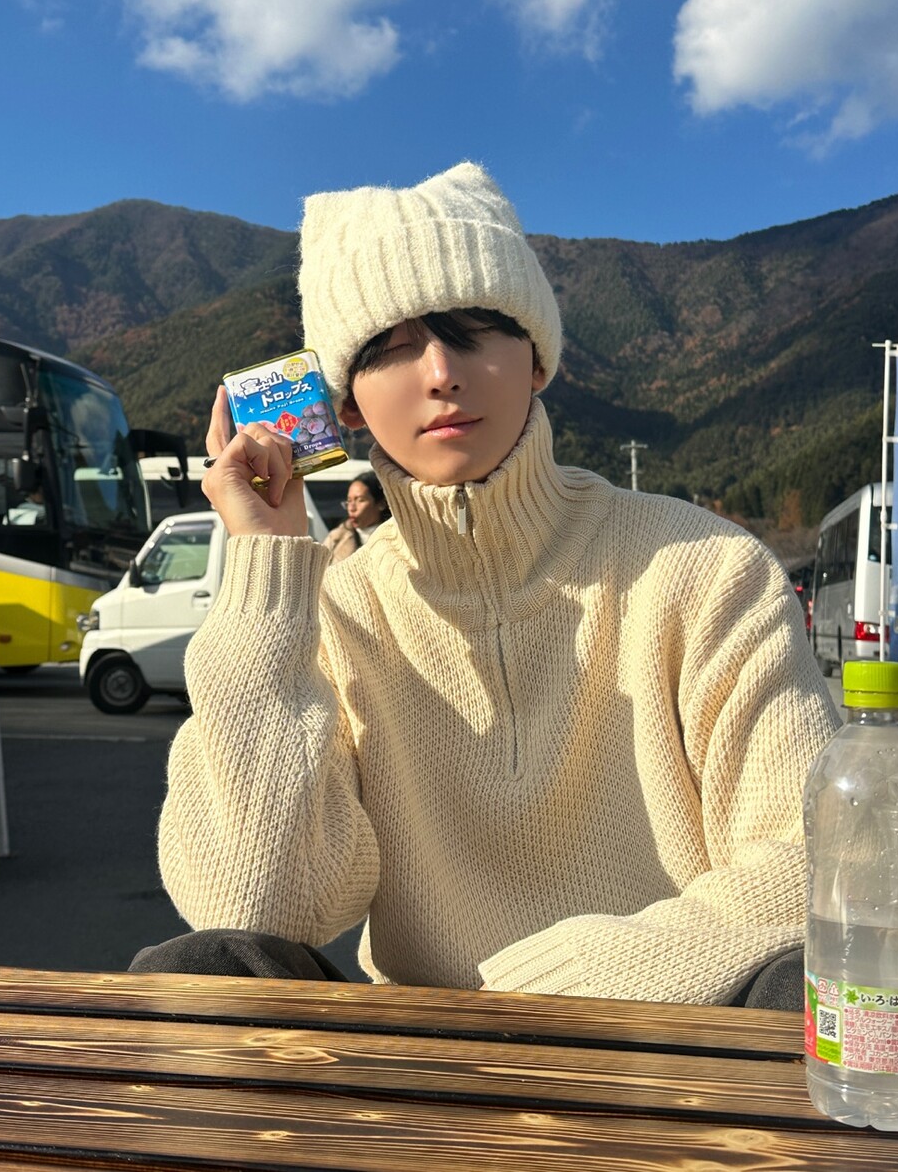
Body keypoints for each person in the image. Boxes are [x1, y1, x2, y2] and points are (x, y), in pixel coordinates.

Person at [136, 162, 840, 1008]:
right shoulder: (340, 605)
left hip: (673, 1028)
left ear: (536, 358)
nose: (440, 371)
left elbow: (820, 860)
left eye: (473, 330)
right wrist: (266, 565)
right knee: (203, 971)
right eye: (391, 347)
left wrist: (563, 987)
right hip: (427, 1046)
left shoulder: (705, 565)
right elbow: (259, 903)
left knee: (813, 985)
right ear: (348, 405)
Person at [323, 471, 390, 563]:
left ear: (381, 504)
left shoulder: (396, 537)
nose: (351, 508)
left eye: (360, 500)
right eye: (349, 501)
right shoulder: (336, 538)